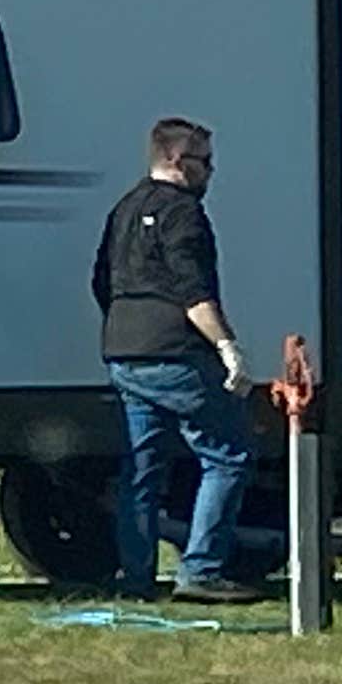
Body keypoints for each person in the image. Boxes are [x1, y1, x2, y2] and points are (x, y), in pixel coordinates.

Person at [94, 114, 257, 601]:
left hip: (124, 349)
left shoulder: (124, 208)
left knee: (142, 468)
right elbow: (193, 290)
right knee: (228, 454)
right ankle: (201, 571)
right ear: (175, 160)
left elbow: (101, 280)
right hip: (174, 352)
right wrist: (228, 348)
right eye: (203, 162)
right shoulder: (183, 212)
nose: (211, 172)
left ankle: (136, 576)